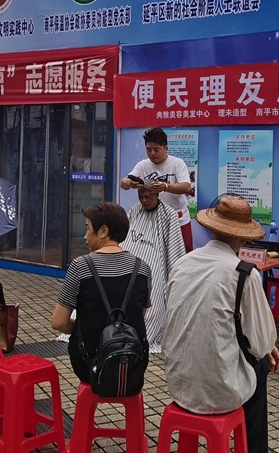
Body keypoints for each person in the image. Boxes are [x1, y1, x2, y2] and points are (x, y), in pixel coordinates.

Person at [162, 195, 279, 453]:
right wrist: (266, 347)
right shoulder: (243, 274)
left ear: (211, 229)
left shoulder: (182, 263)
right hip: (221, 392)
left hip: (178, 384)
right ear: (244, 238)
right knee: (261, 365)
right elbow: (261, 344)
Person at [51, 202, 152, 384]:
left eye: (88, 228)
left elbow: (58, 323)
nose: (85, 236)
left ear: (103, 231)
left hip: (89, 364)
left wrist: (85, 328)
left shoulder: (79, 267)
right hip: (133, 363)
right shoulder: (143, 268)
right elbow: (140, 314)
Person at [123, 187, 186, 352]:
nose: (144, 200)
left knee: (154, 290)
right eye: (140, 197)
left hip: (155, 263)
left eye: (147, 197)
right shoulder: (135, 210)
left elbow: (174, 248)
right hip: (131, 260)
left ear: (157, 194)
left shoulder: (169, 214)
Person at [120, 127, 194, 252]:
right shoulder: (143, 165)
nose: (152, 153)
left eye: (156, 149)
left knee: (184, 255)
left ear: (166, 148)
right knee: (154, 255)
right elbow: (124, 183)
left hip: (179, 219)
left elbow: (186, 186)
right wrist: (129, 183)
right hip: (153, 221)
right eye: (148, 150)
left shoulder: (177, 163)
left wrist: (166, 187)